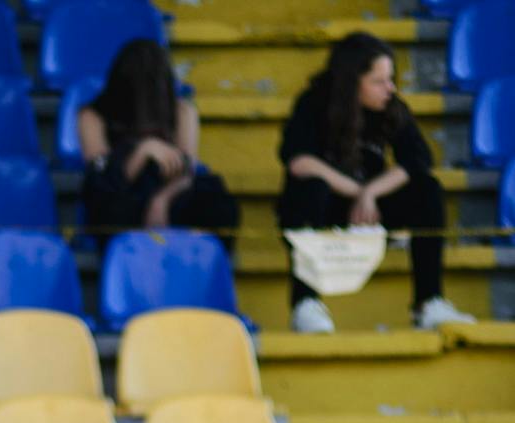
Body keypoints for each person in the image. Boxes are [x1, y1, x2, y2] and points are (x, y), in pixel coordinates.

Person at [279, 33, 473, 334]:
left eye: (391, 79)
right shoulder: (314, 103)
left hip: (370, 212)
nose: (390, 88)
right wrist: (358, 192)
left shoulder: (391, 107)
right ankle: (305, 304)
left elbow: (417, 161)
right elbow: (298, 161)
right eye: (379, 81)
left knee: (428, 189)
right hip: (325, 207)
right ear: (352, 82)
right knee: (311, 188)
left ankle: (428, 302)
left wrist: (371, 192)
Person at [77, 39, 236, 236]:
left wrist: (161, 200)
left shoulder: (182, 111)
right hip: (121, 197)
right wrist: (143, 152)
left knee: (215, 199)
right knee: (110, 204)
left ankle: (205, 260)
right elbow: (103, 181)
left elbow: (186, 172)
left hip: (169, 192)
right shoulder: (93, 115)